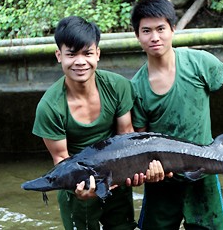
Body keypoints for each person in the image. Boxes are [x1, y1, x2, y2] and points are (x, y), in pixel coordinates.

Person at [130, 0, 223, 230]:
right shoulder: (136, 87)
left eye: (161, 29)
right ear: (137, 36)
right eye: (146, 31)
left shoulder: (199, 62)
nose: (155, 37)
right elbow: (141, 143)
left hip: (205, 173)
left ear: (173, 29)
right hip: (162, 182)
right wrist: (148, 171)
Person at [32, 16, 159, 230]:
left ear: (97, 54)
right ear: (59, 56)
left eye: (87, 53)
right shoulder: (49, 107)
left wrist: (137, 173)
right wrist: (80, 191)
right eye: (71, 54)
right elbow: (62, 159)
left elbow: (126, 139)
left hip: (116, 181)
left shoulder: (117, 86)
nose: (80, 62)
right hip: (77, 188)